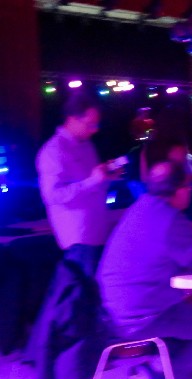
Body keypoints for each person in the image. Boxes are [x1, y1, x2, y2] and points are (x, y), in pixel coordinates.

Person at [97, 161, 192, 379]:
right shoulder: (170, 219)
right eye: (188, 186)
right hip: (140, 317)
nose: (190, 191)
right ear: (178, 190)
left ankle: (180, 367)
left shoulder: (141, 207)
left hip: (113, 310)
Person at [36, 93, 119, 274]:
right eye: (90, 124)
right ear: (72, 119)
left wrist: (106, 178)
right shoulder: (53, 151)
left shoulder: (87, 145)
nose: (94, 130)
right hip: (78, 239)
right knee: (83, 289)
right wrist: (92, 181)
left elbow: (92, 186)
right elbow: (52, 195)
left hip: (97, 231)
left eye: (96, 124)